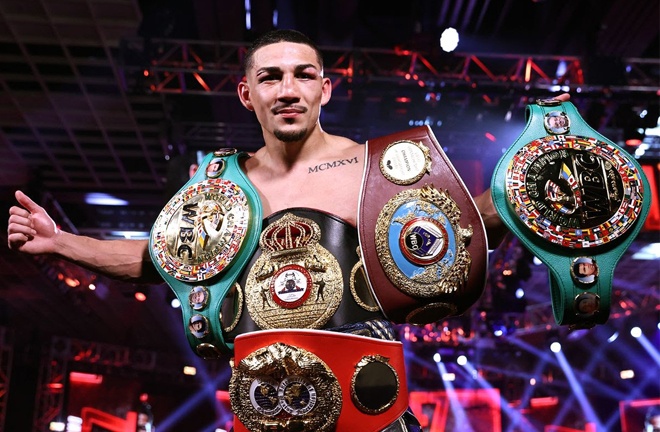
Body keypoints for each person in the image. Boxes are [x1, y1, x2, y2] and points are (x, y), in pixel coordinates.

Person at [7, 29, 570, 431]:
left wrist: (533, 185)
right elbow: (161, 262)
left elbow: (461, 226)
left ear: (325, 89)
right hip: (265, 410)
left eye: (304, 75)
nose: (288, 89)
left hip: (368, 410)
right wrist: (59, 242)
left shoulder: (373, 168)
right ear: (248, 94)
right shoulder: (222, 191)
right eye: (271, 77)